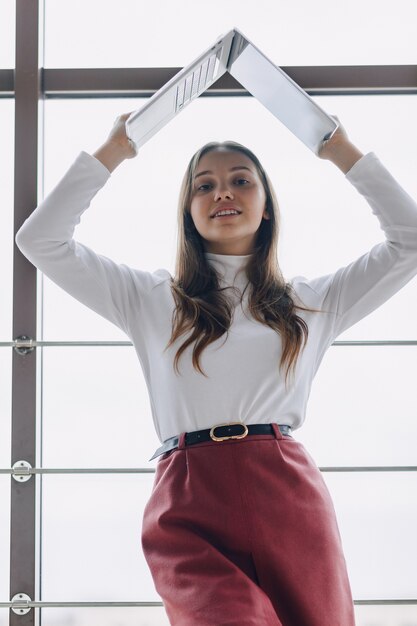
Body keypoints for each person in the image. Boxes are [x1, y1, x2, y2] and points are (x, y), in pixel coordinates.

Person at [15, 112, 417, 626]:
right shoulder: (151, 298)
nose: (222, 192)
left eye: (240, 181)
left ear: (267, 206)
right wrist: (114, 150)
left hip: (286, 492)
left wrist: (341, 151)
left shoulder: (312, 303)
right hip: (188, 493)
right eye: (204, 185)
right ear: (189, 211)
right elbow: (41, 241)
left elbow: (407, 240)